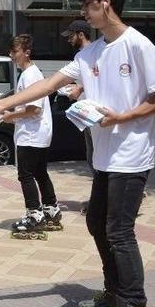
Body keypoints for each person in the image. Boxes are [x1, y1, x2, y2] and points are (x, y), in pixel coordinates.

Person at [0, 0, 155, 307]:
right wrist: (4, 105)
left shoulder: (138, 45)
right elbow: (50, 84)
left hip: (132, 153)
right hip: (105, 157)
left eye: (86, 5)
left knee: (119, 231)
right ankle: (114, 293)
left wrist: (122, 117)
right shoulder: (91, 53)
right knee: (96, 223)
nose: (82, 12)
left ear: (105, 3)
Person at [2, 34, 60, 240]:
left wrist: (11, 116)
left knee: (25, 175)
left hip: (31, 134)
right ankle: (51, 209)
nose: (11, 56)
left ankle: (34, 214)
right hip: (37, 133)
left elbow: (34, 109)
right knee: (40, 173)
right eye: (10, 51)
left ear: (27, 52)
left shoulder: (30, 75)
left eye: (15, 51)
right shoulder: (31, 73)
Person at [61, 19, 94, 214]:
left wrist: (80, 87)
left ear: (81, 35)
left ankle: (102, 201)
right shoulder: (82, 55)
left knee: (95, 159)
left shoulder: (90, 55)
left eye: (71, 36)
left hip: (94, 114)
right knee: (93, 159)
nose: (68, 40)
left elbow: (98, 76)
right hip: (86, 113)